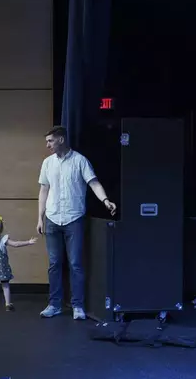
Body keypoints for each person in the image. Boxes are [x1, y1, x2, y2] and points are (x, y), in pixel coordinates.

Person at [37, 126, 117, 320]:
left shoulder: (80, 161)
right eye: (47, 141)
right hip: (53, 218)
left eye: (50, 141)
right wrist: (40, 217)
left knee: (75, 264)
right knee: (54, 263)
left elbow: (93, 183)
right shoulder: (47, 163)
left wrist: (105, 200)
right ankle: (54, 304)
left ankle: (78, 306)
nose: (47, 145)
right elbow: (44, 190)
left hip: (74, 218)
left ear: (61, 140)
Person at [0, 213, 38, 313]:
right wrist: (28, 242)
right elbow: (16, 244)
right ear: (0, 228)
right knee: (5, 286)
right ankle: (8, 305)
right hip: (3, 268)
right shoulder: (3, 239)